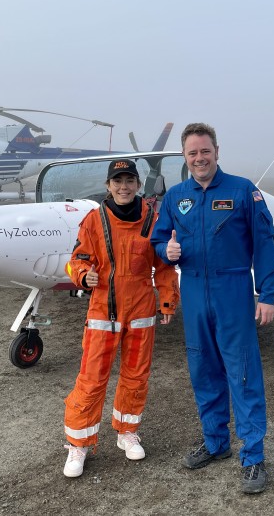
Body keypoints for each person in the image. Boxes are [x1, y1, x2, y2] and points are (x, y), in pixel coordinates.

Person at [150, 122, 274, 494]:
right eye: (192, 153)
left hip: (233, 290)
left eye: (205, 151)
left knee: (241, 373)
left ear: (217, 151)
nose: (199, 158)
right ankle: (215, 442)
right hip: (193, 291)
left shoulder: (242, 191)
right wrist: (166, 250)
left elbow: (264, 243)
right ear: (185, 157)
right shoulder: (176, 196)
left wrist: (266, 294)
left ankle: (253, 456)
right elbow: (160, 238)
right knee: (203, 370)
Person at [62, 158, 180, 478]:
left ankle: (126, 432)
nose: (123, 186)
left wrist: (167, 301)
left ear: (138, 185)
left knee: (135, 377)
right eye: (118, 181)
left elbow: (165, 266)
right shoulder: (93, 221)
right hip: (103, 313)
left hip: (141, 312)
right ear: (108, 186)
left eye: (129, 181)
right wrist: (83, 275)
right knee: (91, 380)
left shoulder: (154, 220)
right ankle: (79, 444)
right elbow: (76, 260)